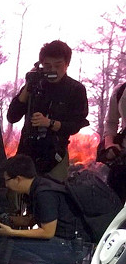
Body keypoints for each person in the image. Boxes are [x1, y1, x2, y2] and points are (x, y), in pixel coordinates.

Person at [0, 154, 84, 264]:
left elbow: (47, 232)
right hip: (68, 242)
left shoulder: (44, 194)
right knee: (14, 241)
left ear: (18, 179)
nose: (6, 185)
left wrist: (12, 232)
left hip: (70, 246)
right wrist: (8, 219)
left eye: (7, 180)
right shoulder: (39, 186)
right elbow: (32, 220)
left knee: (14, 244)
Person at [7, 40, 89, 180]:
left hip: (55, 154)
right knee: (19, 190)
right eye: (47, 66)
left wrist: (49, 123)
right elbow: (12, 117)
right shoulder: (35, 85)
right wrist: (28, 87)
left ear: (67, 64)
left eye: (58, 65)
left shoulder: (75, 89)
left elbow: (75, 125)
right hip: (26, 153)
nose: (52, 70)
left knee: (53, 190)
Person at [101, 81, 126, 204]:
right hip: (123, 158)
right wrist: (109, 144)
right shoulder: (121, 90)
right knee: (115, 203)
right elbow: (111, 121)